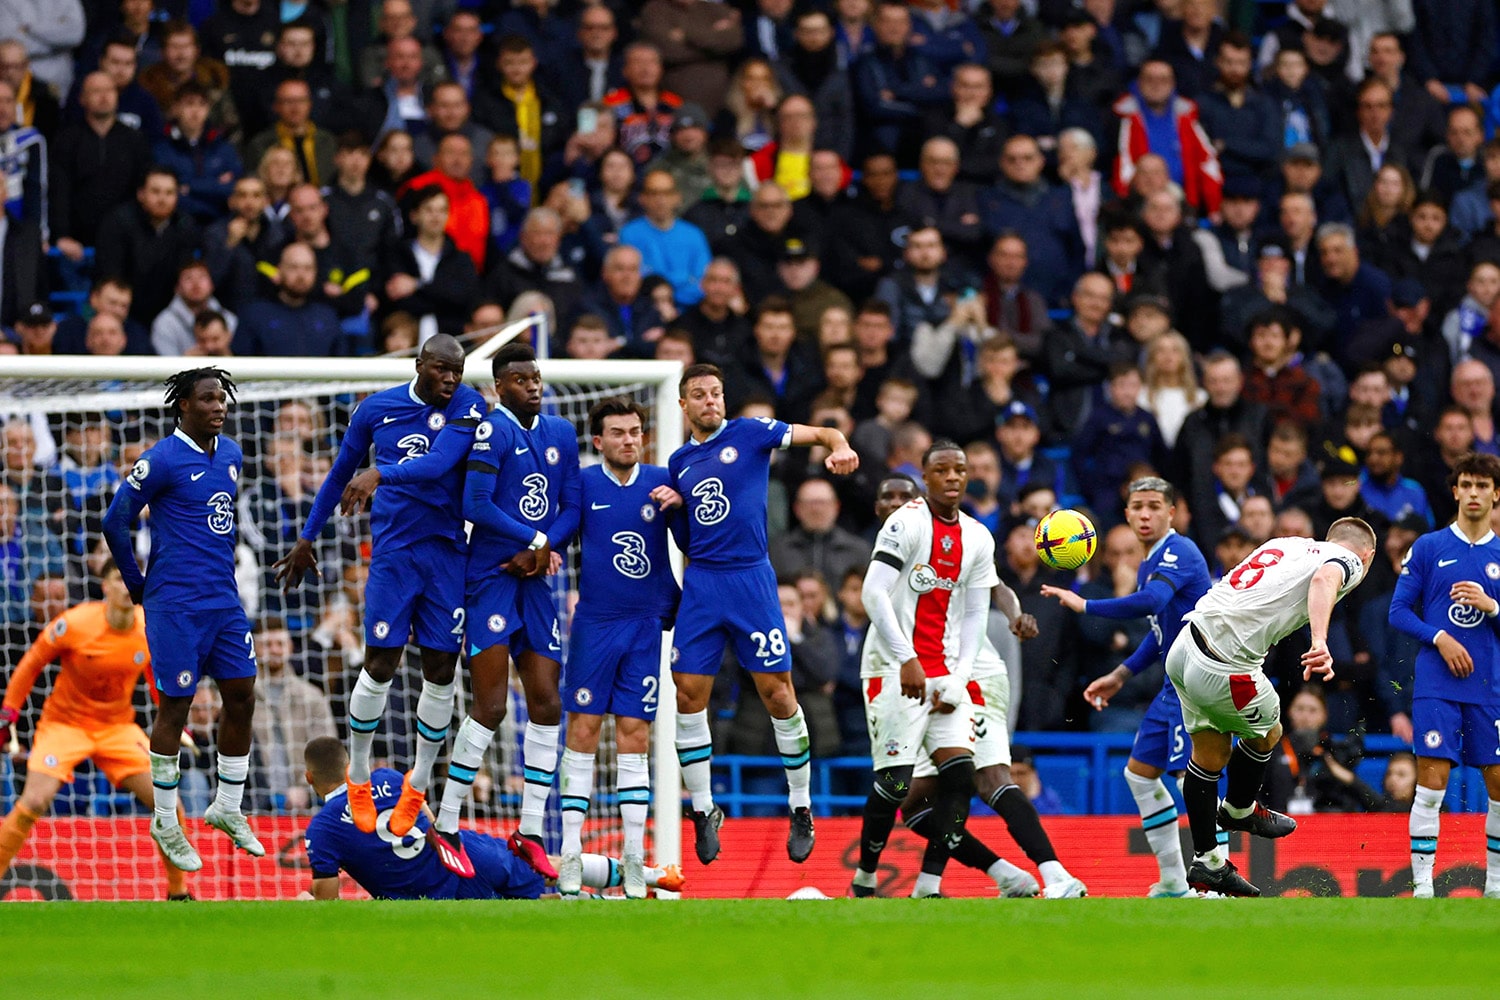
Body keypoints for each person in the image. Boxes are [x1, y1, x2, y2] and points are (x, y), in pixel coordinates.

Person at [274, 335, 483, 845]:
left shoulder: (467, 405)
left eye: (457, 370)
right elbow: (338, 476)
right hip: (392, 558)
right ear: (419, 365)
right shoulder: (376, 410)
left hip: (447, 556)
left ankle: (418, 782)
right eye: (441, 370)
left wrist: (380, 473)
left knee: (440, 671)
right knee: (380, 664)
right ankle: (360, 775)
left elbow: (436, 464)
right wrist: (307, 538)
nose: (450, 379)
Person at [648, 363, 858, 865]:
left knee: (778, 691)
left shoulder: (750, 433)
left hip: (751, 581)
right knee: (688, 694)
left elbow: (822, 430)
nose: (710, 401)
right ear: (683, 405)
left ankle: (801, 806)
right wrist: (676, 507)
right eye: (699, 395)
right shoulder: (678, 462)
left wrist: (839, 444)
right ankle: (703, 810)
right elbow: (686, 539)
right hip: (702, 582)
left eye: (716, 393)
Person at [101, 367, 264, 873]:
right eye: (209, 399)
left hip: (223, 601)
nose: (220, 406)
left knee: (242, 693)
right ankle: (167, 820)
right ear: (184, 407)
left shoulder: (232, 454)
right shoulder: (161, 460)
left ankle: (227, 807)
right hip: (175, 606)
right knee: (176, 707)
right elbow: (115, 520)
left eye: (223, 399)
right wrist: (137, 585)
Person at [1169, 516, 1377, 896]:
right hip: (1225, 663)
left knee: (1209, 754)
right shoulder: (1348, 561)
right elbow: (1324, 580)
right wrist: (1319, 640)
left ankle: (1208, 862)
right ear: (1368, 555)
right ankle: (1239, 810)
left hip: (1185, 647)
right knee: (1270, 730)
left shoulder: (1287, 543)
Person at [439, 341, 581, 879]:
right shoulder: (490, 430)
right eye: (520, 380)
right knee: (492, 706)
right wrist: (535, 539)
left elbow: (571, 506)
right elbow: (474, 505)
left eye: (536, 378)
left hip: (536, 581)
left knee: (547, 703)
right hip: (491, 579)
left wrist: (545, 547)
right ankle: (447, 822)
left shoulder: (562, 434)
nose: (533, 387)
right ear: (500, 387)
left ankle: (528, 829)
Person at [1046, 477, 1215, 897]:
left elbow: (1152, 603)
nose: (1145, 514)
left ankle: (1215, 878)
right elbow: (1159, 633)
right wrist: (1120, 675)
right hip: (1171, 683)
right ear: (1126, 513)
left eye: (1155, 506)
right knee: (1140, 775)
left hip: (1195, 681)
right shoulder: (1148, 561)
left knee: (1189, 778)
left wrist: (1085, 604)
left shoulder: (1180, 551)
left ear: (1171, 513)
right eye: (1137, 506)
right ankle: (1175, 882)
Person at [0, 559, 191, 899]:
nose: (127, 586)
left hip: (116, 728)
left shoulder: (151, 628)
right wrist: (8, 714)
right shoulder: (74, 624)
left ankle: (178, 893)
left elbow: (153, 675)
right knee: (33, 802)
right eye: (120, 579)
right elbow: (30, 665)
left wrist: (171, 715)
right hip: (65, 725)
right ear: (105, 586)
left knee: (170, 805)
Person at [849, 440, 991, 898]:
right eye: (942, 470)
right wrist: (905, 656)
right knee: (894, 783)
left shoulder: (977, 536)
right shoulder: (905, 522)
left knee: (960, 774)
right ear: (925, 477)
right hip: (893, 669)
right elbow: (873, 593)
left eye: (960, 470)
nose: (953, 477)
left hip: (946, 672)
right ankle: (866, 875)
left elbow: (975, 613)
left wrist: (961, 673)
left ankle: (928, 885)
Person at [554, 398, 683, 897]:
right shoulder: (583, 484)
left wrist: (681, 508)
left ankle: (634, 857)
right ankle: (569, 852)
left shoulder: (662, 482)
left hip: (645, 625)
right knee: (583, 728)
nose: (629, 439)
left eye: (635, 431)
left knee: (634, 733)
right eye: (618, 432)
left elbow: (695, 538)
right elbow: (564, 529)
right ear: (598, 441)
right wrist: (545, 552)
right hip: (596, 624)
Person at [298, 738, 684, 901]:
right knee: (550, 867)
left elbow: (332, 902)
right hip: (467, 856)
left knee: (542, 905)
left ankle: (624, 906)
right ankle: (652, 875)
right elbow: (431, 820)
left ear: (309, 777)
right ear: (349, 766)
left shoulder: (322, 830)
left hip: (432, 896)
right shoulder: (384, 777)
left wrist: (309, 901)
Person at [1387, 451, 1500, 899]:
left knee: (1497, 782)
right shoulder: (1431, 547)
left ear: (1496, 494)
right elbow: (1398, 612)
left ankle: (1494, 888)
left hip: (1490, 687)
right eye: (1467, 485)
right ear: (1455, 492)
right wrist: (1440, 638)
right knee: (1432, 778)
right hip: (1437, 683)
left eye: (1483, 486)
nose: (1474, 493)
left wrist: (1491, 606)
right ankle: (1422, 889)